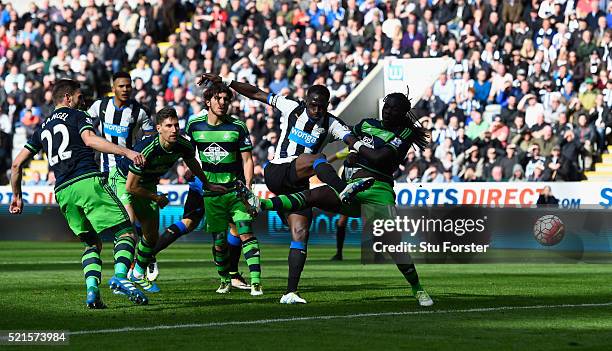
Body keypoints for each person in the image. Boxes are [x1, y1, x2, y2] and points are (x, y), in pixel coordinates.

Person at [237, 92, 434, 306]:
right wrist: (352, 153)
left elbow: (380, 157)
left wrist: (358, 149)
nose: (388, 111)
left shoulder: (404, 132)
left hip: (378, 190)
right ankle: (261, 204)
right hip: (350, 187)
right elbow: (350, 143)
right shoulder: (367, 123)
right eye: (387, 106)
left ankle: (418, 289)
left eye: (394, 108)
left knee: (393, 245)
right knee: (314, 195)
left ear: (403, 112)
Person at [197, 73, 374, 304]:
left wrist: (360, 148)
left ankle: (290, 292)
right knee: (316, 157)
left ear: (327, 105)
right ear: (305, 100)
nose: (317, 110)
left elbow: (349, 138)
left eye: (321, 107)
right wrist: (227, 81)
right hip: (277, 171)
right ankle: (343, 189)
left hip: (297, 184)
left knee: (300, 233)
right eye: (313, 105)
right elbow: (256, 93)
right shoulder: (292, 107)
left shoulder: (332, 123)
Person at [9, 79, 148, 308]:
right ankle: (121, 277)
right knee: (126, 232)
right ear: (67, 98)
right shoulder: (78, 116)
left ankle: (93, 292)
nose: (82, 101)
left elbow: (16, 165)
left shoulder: (42, 128)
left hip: (63, 191)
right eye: (79, 97)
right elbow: (90, 140)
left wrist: (17, 195)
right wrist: (128, 152)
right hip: (86, 181)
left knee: (91, 243)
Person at [109, 106, 224, 293]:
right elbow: (131, 187)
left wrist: (207, 183)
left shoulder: (182, 144)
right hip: (123, 180)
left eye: (176, 125)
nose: (174, 130)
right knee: (128, 224)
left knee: (151, 236)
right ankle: (121, 278)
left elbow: (192, 162)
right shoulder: (147, 149)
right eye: (168, 126)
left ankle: (137, 274)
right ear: (158, 128)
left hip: (146, 185)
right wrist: (156, 197)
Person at [183, 82, 263, 296]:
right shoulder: (194, 125)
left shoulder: (238, 126)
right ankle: (224, 280)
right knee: (219, 242)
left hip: (235, 191)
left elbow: (248, 160)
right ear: (208, 101)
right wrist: (190, 170)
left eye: (227, 99)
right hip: (211, 194)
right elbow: (187, 154)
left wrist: (248, 189)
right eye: (218, 99)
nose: (223, 103)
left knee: (246, 233)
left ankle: (256, 282)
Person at [87, 71, 154, 176]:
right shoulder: (100, 105)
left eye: (128, 86)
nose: (125, 90)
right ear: (113, 88)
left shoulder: (140, 111)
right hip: (106, 167)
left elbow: (150, 138)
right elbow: (85, 122)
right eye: (121, 86)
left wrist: (140, 153)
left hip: (129, 167)